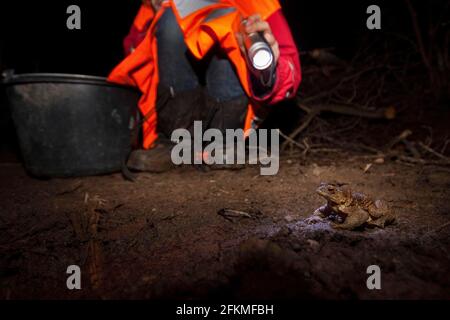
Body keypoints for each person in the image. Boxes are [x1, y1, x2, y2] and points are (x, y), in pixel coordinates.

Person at [108, 0, 301, 172]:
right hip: (177, 108)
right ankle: (174, 142)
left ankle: (227, 141)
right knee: (170, 20)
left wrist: (267, 71)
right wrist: (152, 27)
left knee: (226, 20)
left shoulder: (258, 3)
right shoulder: (152, 6)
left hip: (230, 106)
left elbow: (290, 73)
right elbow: (135, 64)